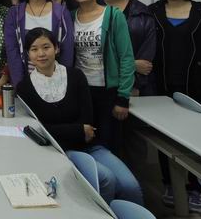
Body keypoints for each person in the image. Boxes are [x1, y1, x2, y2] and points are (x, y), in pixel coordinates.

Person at [17, 28, 143, 205]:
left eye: (46, 47)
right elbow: (41, 130)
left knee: (131, 186)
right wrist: (78, 130)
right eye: (34, 49)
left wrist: (73, 130)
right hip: (62, 150)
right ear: (28, 54)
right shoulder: (24, 87)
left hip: (91, 145)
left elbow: (87, 119)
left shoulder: (75, 76)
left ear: (56, 48)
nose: (41, 54)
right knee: (106, 179)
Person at [149, 0, 201, 212]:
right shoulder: (152, 12)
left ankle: (196, 188)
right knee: (165, 138)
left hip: (195, 85)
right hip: (162, 86)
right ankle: (169, 183)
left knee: (199, 138)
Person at [70, 0, 135, 150]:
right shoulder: (70, 16)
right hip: (81, 91)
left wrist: (123, 97)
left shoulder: (113, 15)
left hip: (108, 92)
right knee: (85, 141)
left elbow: (126, 57)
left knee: (109, 142)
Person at [4, 0, 74, 87]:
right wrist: (21, 85)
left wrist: (62, 82)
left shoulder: (61, 13)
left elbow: (67, 52)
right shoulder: (14, 14)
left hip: (57, 82)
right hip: (26, 81)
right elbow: (12, 52)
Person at [97, 0, 156, 96]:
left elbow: (145, 63)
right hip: (99, 84)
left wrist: (133, 85)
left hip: (136, 88)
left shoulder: (143, 12)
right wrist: (132, 64)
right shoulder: (91, 10)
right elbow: (89, 54)